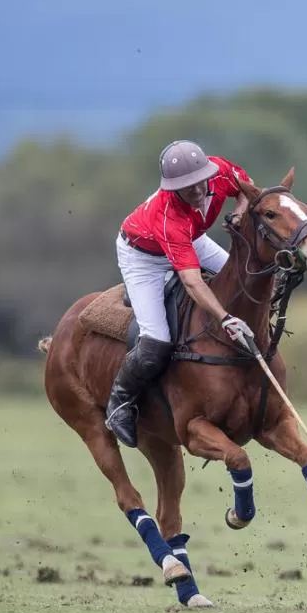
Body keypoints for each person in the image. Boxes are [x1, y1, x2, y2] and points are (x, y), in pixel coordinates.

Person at [105, 140, 256, 448]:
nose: (198, 192)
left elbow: (248, 189)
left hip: (192, 238)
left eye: (200, 183)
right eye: (187, 188)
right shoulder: (168, 215)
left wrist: (240, 210)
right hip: (144, 256)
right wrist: (225, 318)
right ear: (172, 188)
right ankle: (119, 401)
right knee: (156, 339)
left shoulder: (219, 171)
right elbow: (191, 281)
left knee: (241, 283)